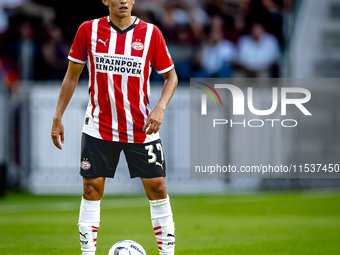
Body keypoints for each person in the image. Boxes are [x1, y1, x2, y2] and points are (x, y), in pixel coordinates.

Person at [51, 0, 178, 254]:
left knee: (158, 188)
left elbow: (171, 76)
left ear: (133, 1)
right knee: (91, 188)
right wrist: (57, 117)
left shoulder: (151, 33)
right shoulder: (88, 30)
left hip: (141, 128)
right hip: (99, 127)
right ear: (105, 0)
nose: (122, 0)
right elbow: (72, 75)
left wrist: (160, 108)